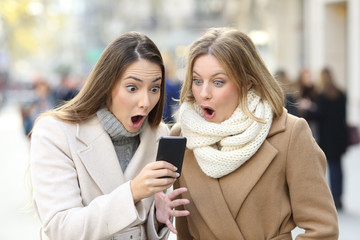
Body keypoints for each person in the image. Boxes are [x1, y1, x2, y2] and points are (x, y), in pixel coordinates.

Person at [169, 28, 338, 239]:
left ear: (247, 82)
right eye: (197, 81)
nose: (204, 94)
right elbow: (183, 230)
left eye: (218, 82)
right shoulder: (181, 138)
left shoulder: (290, 134)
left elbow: (323, 229)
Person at [29, 32, 188, 240]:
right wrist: (132, 192)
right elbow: (61, 228)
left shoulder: (159, 135)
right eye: (132, 88)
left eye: (155, 88)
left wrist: (156, 220)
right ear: (106, 85)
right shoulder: (55, 132)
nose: (146, 101)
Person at [306, 67, 347, 210]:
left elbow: (320, 115)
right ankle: (339, 196)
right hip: (339, 136)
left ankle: (331, 198)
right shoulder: (341, 94)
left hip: (327, 137)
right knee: (338, 167)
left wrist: (309, 109)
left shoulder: (322, 96)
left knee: (328, 166)